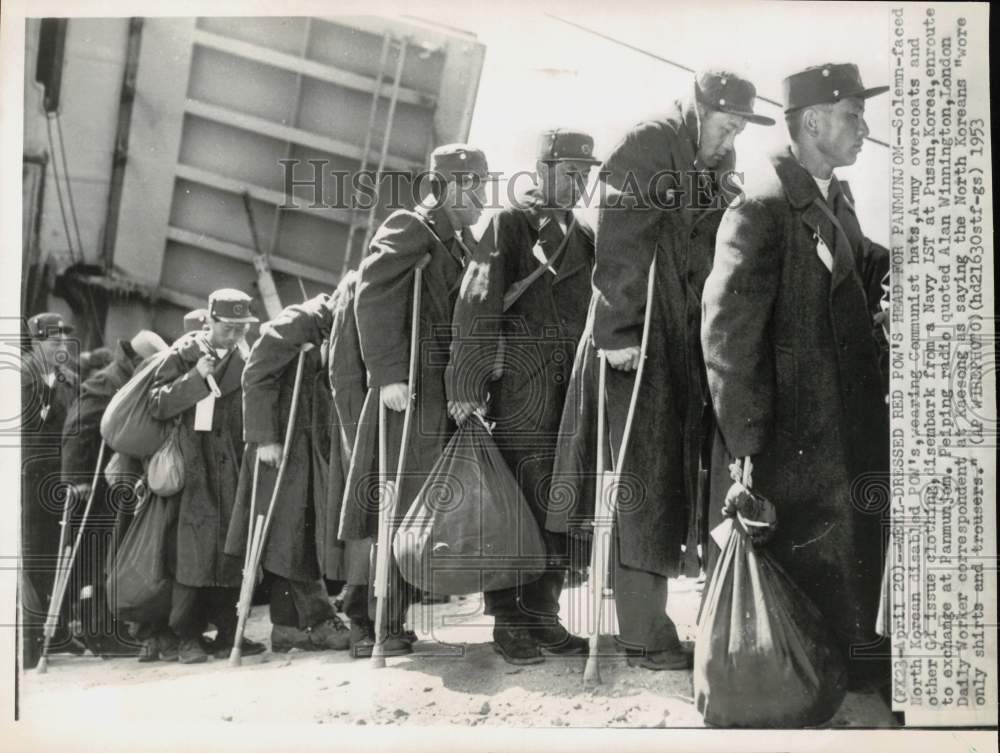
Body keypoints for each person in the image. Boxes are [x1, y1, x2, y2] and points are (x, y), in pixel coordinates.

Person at [550, 71, 774, 671]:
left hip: (681, 338)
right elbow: (620, 239)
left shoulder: (718, 158)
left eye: (737, 130)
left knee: (669, 474)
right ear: (700, 110)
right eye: (725, 125)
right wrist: (618, 332)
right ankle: (642, 635)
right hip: (637, 339)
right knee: (637, 476)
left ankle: (676, 621)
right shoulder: (650, 143)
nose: (730, 139)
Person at [701, 63, 890, 690]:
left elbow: (860, 267)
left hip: (840, 422)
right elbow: (728, 335)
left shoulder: (831, 195)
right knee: (807, 563)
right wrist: (747, 448)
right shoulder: (763, 204)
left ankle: (846, 659)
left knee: (848, 548)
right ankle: (806, 677)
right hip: (792, 435)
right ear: (814, 121)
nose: (865, 128)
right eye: (853, 114)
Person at [446, 129, 598, 664]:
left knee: (558, 500)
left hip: (568, 393)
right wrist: (465, 383)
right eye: (571, 171)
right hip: (519, 392)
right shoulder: (511, 225)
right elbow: (477, 300)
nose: (580, 182)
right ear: (544, 169)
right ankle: (509, 620)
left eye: (587, 173)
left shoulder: (583, 235)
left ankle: (544, 614)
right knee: (514, 505)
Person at [340, 143, 491, 656]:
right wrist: (385, 374)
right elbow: (372, 292)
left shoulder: (462, 243)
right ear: (447, 186)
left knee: (423, 509)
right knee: (397, 504)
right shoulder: (411, 226)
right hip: (408, 391)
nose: (482, 197)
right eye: (475, 186)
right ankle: (366, 617)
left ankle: (392, 613)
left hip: (439, 396)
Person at [225, 292, 353, 654]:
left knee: (294, 530)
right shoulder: (300, 319)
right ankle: (313, 618)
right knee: (289, 530)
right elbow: (257, 370)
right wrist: (264, 439)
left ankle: (287, 627)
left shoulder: (326, 324)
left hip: (302, 444)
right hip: (279, 448)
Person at [147, 289, 266, 663]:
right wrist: (194, 380)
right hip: (193, 467)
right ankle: (187, 636)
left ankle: (230, 631)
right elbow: (157, 402)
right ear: (209, 321)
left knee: (231, 550)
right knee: (190, 556)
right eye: (227, 328)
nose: (233, 336)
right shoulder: (184, 354)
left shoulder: (247, 360)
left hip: (231, 465)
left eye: (239, 328)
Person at [61, 330, 168, 657]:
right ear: (138, 360)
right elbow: (76, 427)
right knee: (96, 559)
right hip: (95, 490)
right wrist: (75, 478)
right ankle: (100, 632)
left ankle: (106, 629)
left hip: (114, 486)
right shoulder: (109, 382)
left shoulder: (127, 378)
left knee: (109, 556)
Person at [20, 312, 80, 667]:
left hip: (59, 480)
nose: (60, 346)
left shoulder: (70, 380)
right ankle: (30, 636)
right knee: (32, 555)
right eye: (52, 340)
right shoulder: (21, 376)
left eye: (63, 340)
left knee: (57, 553)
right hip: (28, 481)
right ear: (36, 342)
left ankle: (56, 633)